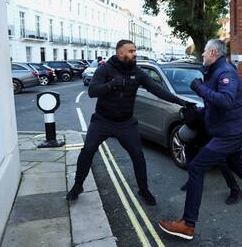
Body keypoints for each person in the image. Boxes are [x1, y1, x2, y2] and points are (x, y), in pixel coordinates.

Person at [159, 39, 242, 240]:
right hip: (230, 129)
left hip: (231, 133)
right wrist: (199, 111)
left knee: (196, 167)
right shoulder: (214, 71)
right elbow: (215, 104)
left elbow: (226, 101)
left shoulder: (225, 72)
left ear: (212, 52)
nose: (201, 54)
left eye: (204, 52)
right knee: (235, 163)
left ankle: (187, 224)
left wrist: (199, 89)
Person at [66, 39, 187, 205]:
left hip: (126, 123)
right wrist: (111, 85)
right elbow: (92, 91)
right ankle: (78, 186)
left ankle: (143, 190)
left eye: (135, 50)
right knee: (87, 150)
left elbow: (156, 89)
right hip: (102, 121)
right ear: (120, 53)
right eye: (131, 51)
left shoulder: (137, 72)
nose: (134, 53)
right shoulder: (105, 69)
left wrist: (179, 101)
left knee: (138, 156)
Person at [179, 105, 242, 205]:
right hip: (201, 133)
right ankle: (192, 181)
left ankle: (235, 189)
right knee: (189, 149)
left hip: (215, 135)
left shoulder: (208, 117)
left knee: (221, 161)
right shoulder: (191, 119)